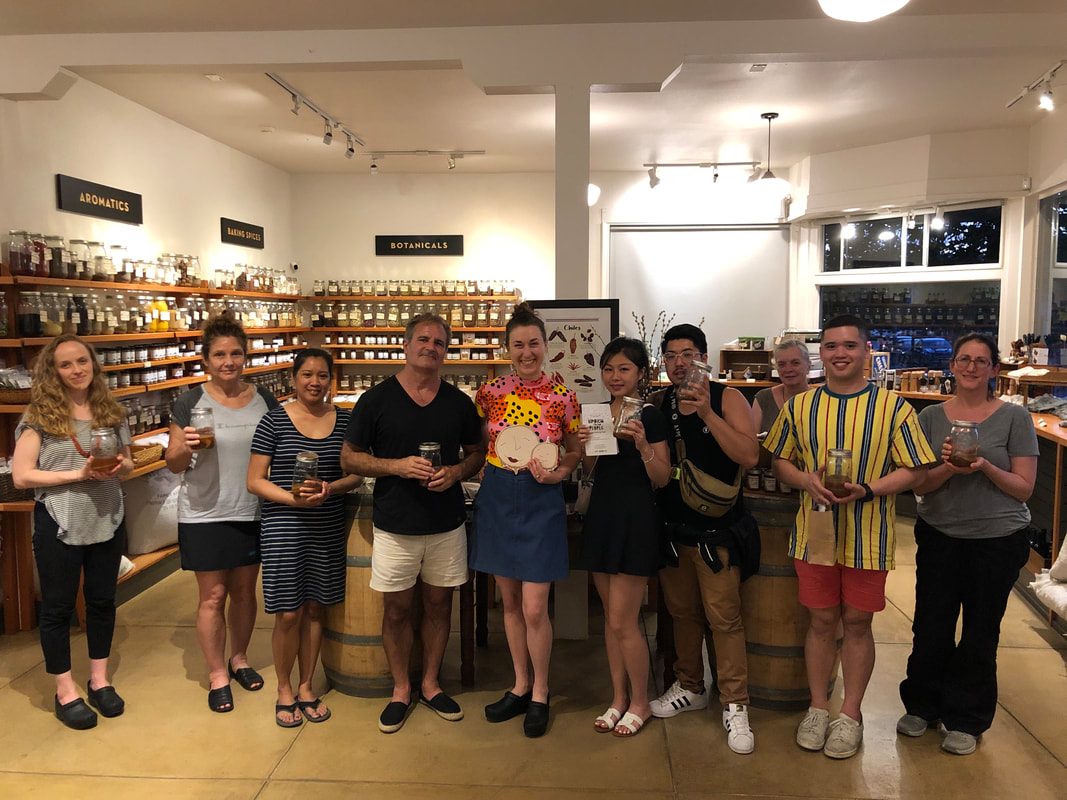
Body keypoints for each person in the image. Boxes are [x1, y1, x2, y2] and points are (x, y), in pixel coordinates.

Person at [764, 314, 936, 759]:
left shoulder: (893, 407)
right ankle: (818, 707)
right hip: (815, 531)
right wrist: (805, 480)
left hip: (869, 535)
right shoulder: (800, 407)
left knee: (857, 624)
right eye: (831, 346)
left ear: (866, 351)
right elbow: (779, 461)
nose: (840, 354)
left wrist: (870, 489)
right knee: (821, 623)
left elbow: (916, 468)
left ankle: (851, 714)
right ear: (821, 353)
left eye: (850, 346)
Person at [342, 313, 486, 734]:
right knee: (397, 609)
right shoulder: (376, 399)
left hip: (446, 524)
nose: (431, 347)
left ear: (446, 351)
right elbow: (349, 458)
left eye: (439, 342)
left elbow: (477, 454)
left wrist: (457, 473)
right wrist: (396, 466)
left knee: (441, 605)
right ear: (406, 346)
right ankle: (401, 689)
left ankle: (431, 683)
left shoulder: (458, 402)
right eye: (423, 339)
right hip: (395, 525)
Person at [898, 333, 1037, 756]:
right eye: (964, 359)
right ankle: (923, 705)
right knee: (931, 624)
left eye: (981, 361)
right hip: (940, 535)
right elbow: (919, 483)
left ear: (995, 369)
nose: (972, 367)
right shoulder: (930, 417)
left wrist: (984, 465)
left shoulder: (1015, 419)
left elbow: (1023, 489)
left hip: (997, 540)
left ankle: (966, 718)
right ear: (953, 366)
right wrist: (948, 468)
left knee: (980, 631)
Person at [469, 301, 581, 738]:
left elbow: (574, 451)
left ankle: (541, 691)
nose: (527, 351)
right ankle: (519, 684)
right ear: (507, 348)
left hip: (541, 499)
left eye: (534, 342)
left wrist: (561, 472)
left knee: (536, 607)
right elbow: (481, 447)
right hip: (498, 496)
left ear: (545, 345)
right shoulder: (490, 393)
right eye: (518, 345)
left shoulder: (563, 394)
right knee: (510, 604)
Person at [648, 323, 760, 755]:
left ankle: (735, 704)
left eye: (688, 354)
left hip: (719, 532)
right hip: (675, 531)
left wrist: (708, 413)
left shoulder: (727, 397)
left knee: (725, 620)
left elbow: (748, 455)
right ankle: (690, 687)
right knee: (682, 615)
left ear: (704, 357)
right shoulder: (658, 402)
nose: (680, 363)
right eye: (672, 355)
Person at [12, 334, 133, 730]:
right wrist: (77, 474)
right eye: (66, 364)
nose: (76, 370)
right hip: (60, 523)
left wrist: (120, 467)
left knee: (101, 602)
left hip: (107, 519)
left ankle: (100, 680)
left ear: (93, 364)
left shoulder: (111, 411)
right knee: (59, 608)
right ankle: (65, 690)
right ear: (53, 371)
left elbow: (129, 463)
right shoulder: (39, 417)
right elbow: (21, 476)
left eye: (82, 361)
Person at [166, 310, 280, 713]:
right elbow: (174, 463)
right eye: (219, 355)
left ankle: (240, 659)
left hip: (251, 510)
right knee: (213, 597)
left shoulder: (264, 399)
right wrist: (187, 446)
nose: (228, 362)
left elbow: (276, 450)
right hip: (205, 511)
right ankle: (217, 674)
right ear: (206, 360)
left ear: (245, 356)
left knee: (246, 594)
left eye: (235, 353)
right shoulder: (190, 401)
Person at [247, 348, 363, 727]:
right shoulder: (273, 421)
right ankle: (284, 688)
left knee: (316, 608)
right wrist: (293, 499)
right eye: (307, 375)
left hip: (327, 524)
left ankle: (307, 685)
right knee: (288, 612)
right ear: (294, 378)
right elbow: (254, 480)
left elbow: (356, 475)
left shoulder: (345, 421)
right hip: (283, 525)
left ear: (332, 380)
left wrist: (329, 490)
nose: (315, 382)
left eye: (323, 376)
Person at [577, 337, 670, 738]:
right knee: (610, 623)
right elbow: (593, 470)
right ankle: (618, 698)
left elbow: (663, 477)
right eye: (609, 369)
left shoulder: (650, 415)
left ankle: (640, 703)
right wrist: (584, 446)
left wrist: (643, 444)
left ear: (641, 374)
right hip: (602, 515)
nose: (615, 377)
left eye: (624, 369)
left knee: (623, 620)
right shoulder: (597, 412)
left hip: (635, 519)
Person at [750, 338, 811, 469]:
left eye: (795, 363)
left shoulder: (818, 401)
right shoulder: (763, 398)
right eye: (782, 364)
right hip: (765, 481)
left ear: (808, 367)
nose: (788, 369)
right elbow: (751, 445)